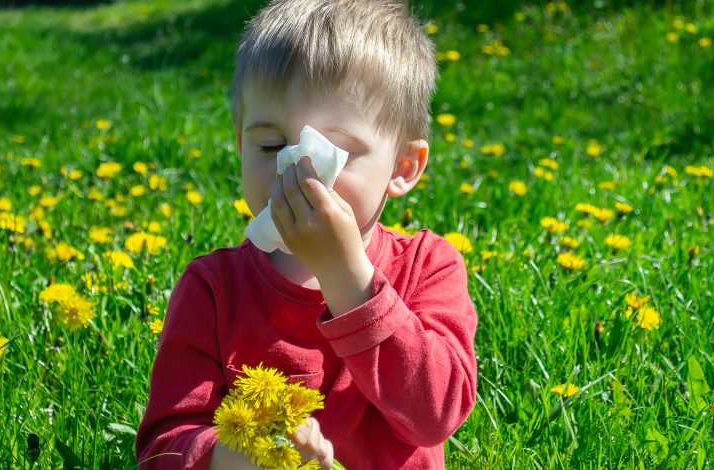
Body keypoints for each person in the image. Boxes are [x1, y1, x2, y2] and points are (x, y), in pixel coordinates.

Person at [135, 0, 478, 468]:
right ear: (240, 146)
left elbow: (436, 414)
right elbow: (162, 445)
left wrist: (346, 275)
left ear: (402, 167)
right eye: (271, 145)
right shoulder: (214, 290)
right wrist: (232, 458)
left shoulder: (428, 267)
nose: (295, 168)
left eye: (333, 152)